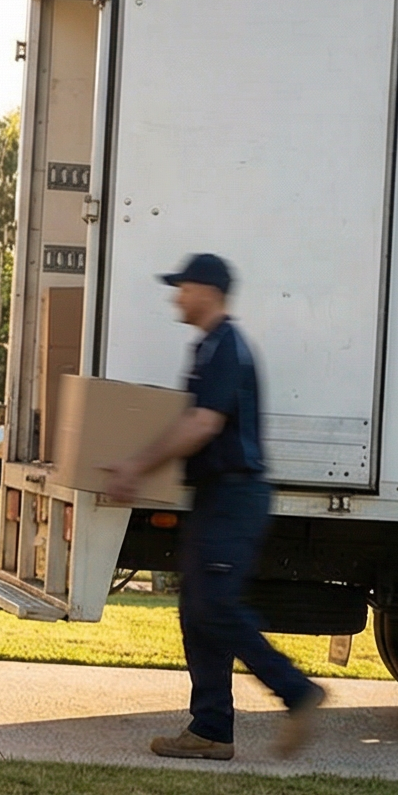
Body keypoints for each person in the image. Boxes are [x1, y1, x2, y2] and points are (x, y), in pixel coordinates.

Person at [102, 252, 324, 759]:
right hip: (215, 497)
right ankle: (211, 731)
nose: (177, 295)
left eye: (183, 286)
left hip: (234, 495)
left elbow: (203, 423)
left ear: (208, 291)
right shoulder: (209, 347)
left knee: (216, 606)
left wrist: (137, 466)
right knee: (197, 610)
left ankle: (297, 692)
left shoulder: (226, 346)